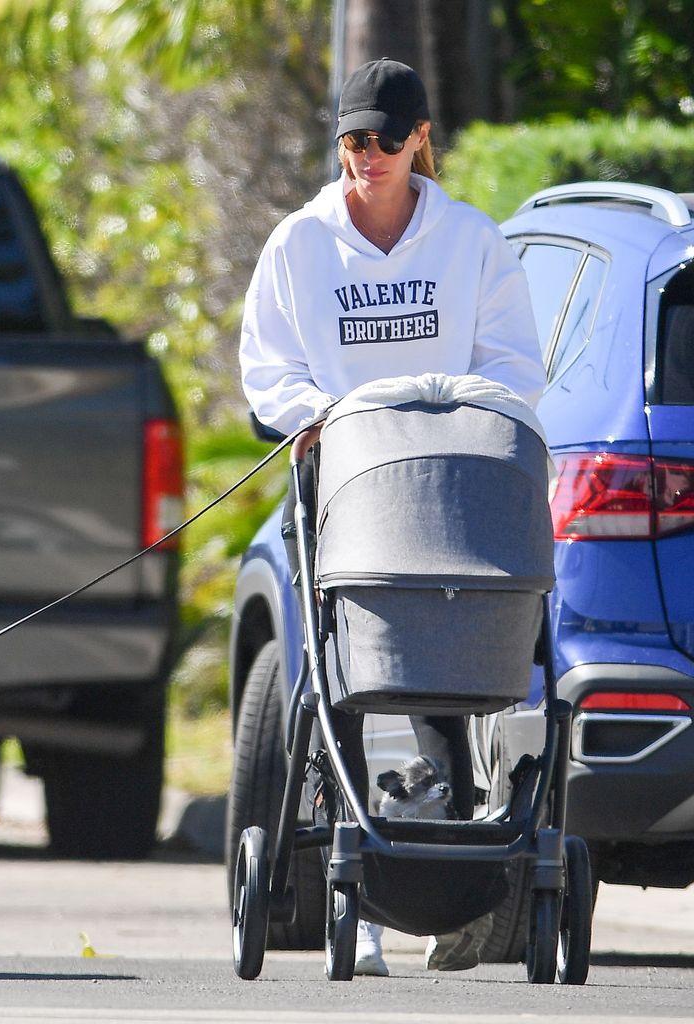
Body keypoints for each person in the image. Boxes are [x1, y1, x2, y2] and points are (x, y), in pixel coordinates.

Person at [239, 58, 547, 977]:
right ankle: (358, 896)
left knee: (443, 674)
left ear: (420, 140)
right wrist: (325, 417)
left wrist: (436, 409)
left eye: (382, 141)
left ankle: (449, 873)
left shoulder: (472, 243)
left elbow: (513, 369)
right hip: (341, 487)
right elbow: (268, 372)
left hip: (448, 491)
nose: (363, 158)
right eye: (350, 141)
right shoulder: (300, 244)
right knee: (341, 678)